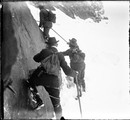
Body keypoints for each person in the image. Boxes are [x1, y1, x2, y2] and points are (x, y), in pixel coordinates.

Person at [28, 37, 76, 119]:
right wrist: (75, 73)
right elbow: (67, 71)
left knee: (30, 81)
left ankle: (38, 100)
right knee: (57, 105)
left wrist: (43, 54)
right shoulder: (60, 56)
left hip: (41, 77)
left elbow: (35, 58)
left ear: (48, 45)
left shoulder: (45, 51)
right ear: (56, 45)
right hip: (54, 82)